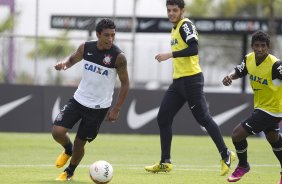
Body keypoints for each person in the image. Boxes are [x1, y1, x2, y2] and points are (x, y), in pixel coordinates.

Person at [144, 0, 235, 176]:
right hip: (178, 82)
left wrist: (169, 55)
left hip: (191, 80)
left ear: (182, 11)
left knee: (203, 119)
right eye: (169, 10)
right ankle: (165, 162)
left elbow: (193, 48)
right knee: (163, 118)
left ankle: (226, 154)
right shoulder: (174, 27)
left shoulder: (185, 25)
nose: (171, 13)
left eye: (174, 10)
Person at [51, 18, 129, 181]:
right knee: (57, 132)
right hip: (79, 100)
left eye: (113, 35)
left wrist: (116, 108)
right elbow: (71, 60)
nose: (110, 39)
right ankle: (67, 149)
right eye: (106, 35)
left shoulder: (118, 57)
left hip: (98, 108)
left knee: (81, 143)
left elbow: (125, 84)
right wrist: (63, 64)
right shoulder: (86, 47)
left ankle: (69, 172)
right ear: (98, 34)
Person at [222, 30, 282, 183]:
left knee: (236, 134)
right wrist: (230, 76)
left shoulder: (275, 64)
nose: (260, 49)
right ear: (252, 46)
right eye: (257, 45)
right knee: (273, 138)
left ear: (268, 47)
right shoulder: (249, 59)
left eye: (263, 46)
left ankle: (243, 165)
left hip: (273, 109)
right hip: (261, 106)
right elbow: (239, 70)